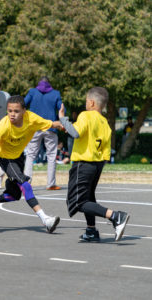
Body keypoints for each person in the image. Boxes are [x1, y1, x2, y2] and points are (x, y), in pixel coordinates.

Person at [0, 95, 62, 233]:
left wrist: (64, 125)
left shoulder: (32, 119)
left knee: (14, 195)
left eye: (16, 111)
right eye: (9, 111)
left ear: (24, 111)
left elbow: (51, 124)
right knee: (25, 184)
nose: (12, 114)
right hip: (4, 157)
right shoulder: (4, 125)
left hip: (18, 156)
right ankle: (46, 220)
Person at [59, 87, 130, 242]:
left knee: (78, 202)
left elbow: (75, 132)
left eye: (86, 101)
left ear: (91, 102)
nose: (85, 103)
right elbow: (106, 150)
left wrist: (63, 118)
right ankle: (91, 230)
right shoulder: (104, 121)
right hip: (97, 165)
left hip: (84, 163)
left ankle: (116, 216)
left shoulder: (86, 115)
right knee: (88, 197)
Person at [24, 76, 63, 190]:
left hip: (34, 127)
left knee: (31, 155)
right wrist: (60, 121)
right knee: (51, 156)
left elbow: (23, 104)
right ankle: (50, 184)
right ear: (49, 84)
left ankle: (27, 182)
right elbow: (61, 109)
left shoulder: (32, 92)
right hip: (50, 127)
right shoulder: (55, 93)